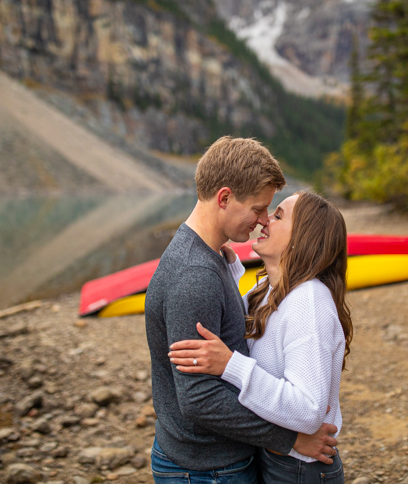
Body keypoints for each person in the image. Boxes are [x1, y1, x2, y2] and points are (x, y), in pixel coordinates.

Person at [144, 137, 339, 484]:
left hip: (212, 460)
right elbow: (199, 399)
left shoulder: (213, 260)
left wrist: (228, 274)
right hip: (207, 466)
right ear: (224, 198)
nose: (263, 220)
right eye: (260, 208)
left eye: (274, 213)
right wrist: (290, 439)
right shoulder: (197, 274)